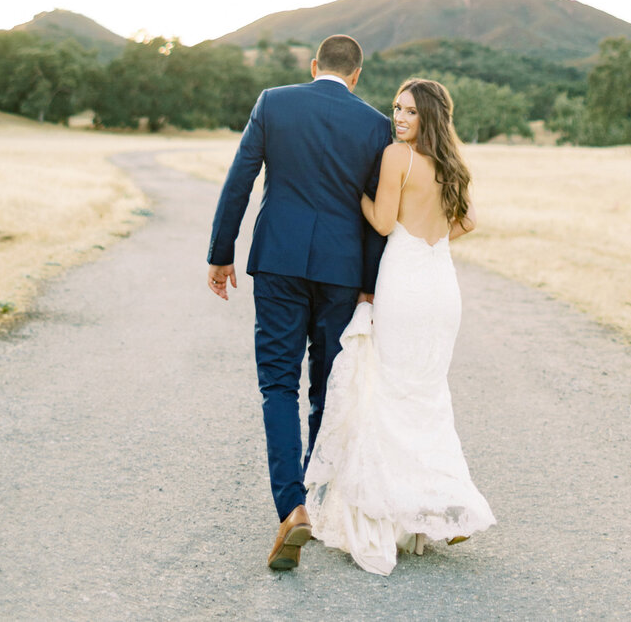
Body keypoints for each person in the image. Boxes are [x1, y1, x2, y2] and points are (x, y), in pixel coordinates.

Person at [206, 33, 391, 571]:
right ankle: (313, 497)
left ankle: (291, 506)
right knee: (327, 385)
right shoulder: (377, 125)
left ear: (315, 66)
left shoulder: (274, 101)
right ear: (357, 74)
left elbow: (240, 179)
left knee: (278, 383)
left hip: (279, 262)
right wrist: (369, 283)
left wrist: (222, 253)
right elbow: (377, 215)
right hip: (341, 270)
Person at [304, 77, 496, 575]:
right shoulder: (453, 163)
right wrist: (434, 241)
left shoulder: (398, 157)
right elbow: (469, 221)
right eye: (396, 108)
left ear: (428, 115)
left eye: (410, 111)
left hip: (406, 285)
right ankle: (439, 502)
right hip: (441, 284)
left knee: (391, 392)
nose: (399, 117)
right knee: (427, 396)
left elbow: (385, 223)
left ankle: (394, 508)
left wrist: (356, 196)